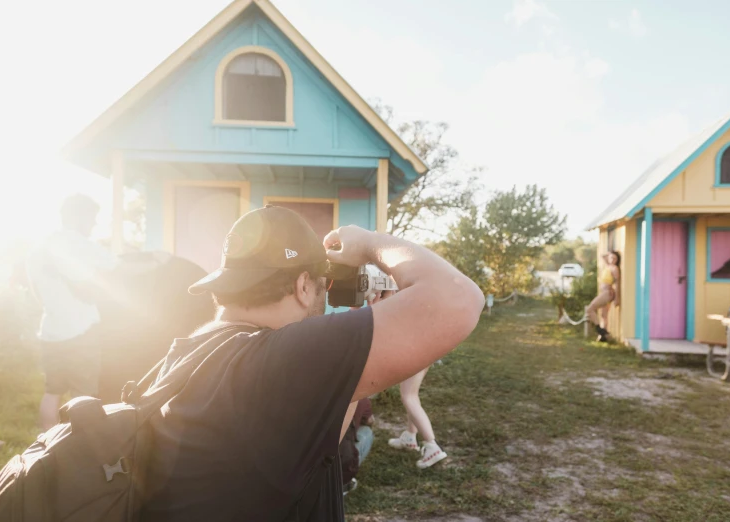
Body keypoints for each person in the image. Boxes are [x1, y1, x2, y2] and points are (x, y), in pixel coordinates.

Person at [140, 205, 484, 522]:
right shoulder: (278, 358)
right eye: (323, 287)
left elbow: (319, 435)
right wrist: (368, 243)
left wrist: (360, 333)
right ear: (304, 285)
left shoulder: (191, 350)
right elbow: (460, 299)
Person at [26, 194, 118, 430]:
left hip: (50, 331)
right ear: (79, 216)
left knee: (52, 392)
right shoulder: (81, 245)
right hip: (82, 331)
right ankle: (79, 450)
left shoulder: (38, 247)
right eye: (92, 218)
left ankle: (45, 446)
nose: (94, 224)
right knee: (84, 396)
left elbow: (36, 290)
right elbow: (109, 271)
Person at [387, 366, 447, 469]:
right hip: (424, 352)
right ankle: (410, 437)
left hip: (414, 352)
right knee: (412, 394)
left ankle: (432, 446)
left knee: (408, 397)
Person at [340, 397, 374, 495]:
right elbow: (370, 421)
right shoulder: (359, 397)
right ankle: (344, 485)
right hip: (339, 472)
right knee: (366, 432)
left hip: (304, 472)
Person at [586, 251, 620, 342]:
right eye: (611, 258)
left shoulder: (614, 268)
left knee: (589, 309)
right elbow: (602, 255)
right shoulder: (607, 266)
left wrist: (617, 298)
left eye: (615, 258)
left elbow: (617, 284)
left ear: (617, 260)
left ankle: (600, 330)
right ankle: (603, 337)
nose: (612, 260)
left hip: (607, 293)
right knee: (604, 315)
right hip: (604, 292)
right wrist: (610, 253)